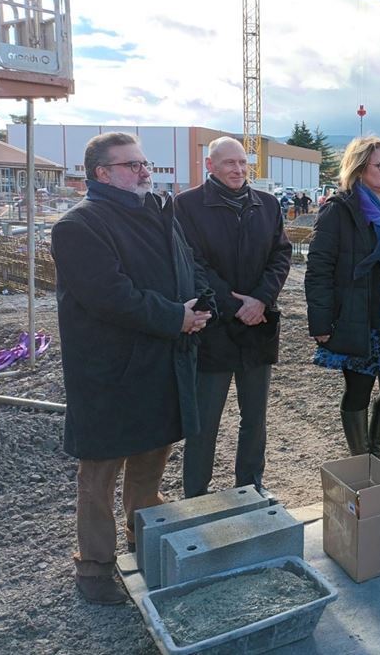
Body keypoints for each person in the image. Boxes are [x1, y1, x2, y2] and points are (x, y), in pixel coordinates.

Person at [50, 132, 211, 604]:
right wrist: (174, 317)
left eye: (145, 163)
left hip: (159, 364)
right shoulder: (80, 225)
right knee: (98, 477)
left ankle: (145, 543)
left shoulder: (158, 213)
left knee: (149, 465)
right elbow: (110, 297)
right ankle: (95, 569)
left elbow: (189, 265)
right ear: (102, 173)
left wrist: (203, 305)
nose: (145, 172)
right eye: (133, 165)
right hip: (109, 375)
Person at [174, 137, 292, 498]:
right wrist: (233, 304)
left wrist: (260, 299)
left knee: (254, 418)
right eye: (229, 163)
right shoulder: (187, 206)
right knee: (205, 421)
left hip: (258, 328)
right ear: (210, 166)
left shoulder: (267, 205)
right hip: (214, 329)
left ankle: (250, 486)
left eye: (243, 163)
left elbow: (280, 255)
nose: (238, 170)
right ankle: (196, 494)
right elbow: (193, 263)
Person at [304, 137, 380, 458]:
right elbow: (319, 268)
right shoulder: (339, 210)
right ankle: (362, 460)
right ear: (359, 169)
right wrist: (320, 321)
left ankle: (376, 450)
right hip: (360, 317)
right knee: (358, 390)